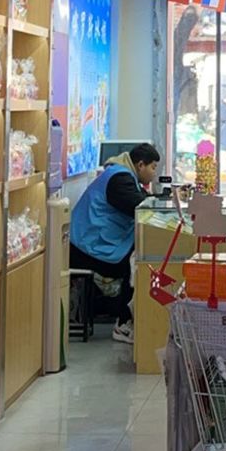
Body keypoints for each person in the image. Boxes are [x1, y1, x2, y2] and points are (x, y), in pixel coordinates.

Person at [69, 142, 166, 345]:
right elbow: (139, 206)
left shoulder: (121, 174)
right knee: (136, 261)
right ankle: (124, 322)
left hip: (92, 240)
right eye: (153, 167)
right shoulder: (120, 179)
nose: (154, 173)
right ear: (140, 165)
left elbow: (141, 198)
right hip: (88, 246)